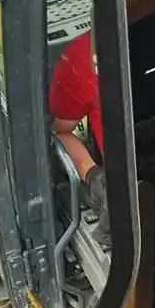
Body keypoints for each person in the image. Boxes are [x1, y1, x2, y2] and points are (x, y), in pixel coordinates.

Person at [48, 29, 107, 237]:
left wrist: (92, 173)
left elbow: (59, 133)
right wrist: (94, 175)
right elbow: (59, 133)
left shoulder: (83, 52)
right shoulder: (81, 56)